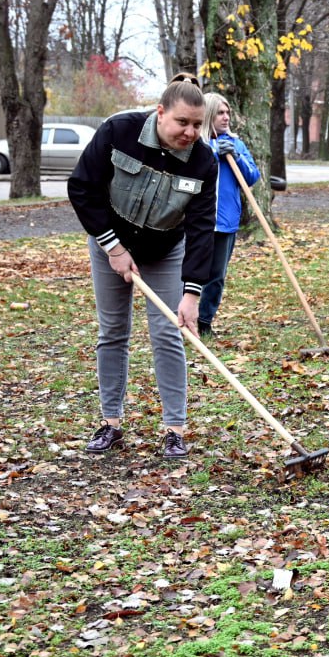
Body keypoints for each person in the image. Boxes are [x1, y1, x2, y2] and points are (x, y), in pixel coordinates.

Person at [68, 74, 217, 459]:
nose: (190, 132)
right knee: (113, 331)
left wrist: (192, 292)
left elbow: (202, 230)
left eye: (198, 125)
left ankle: (174, 429)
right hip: (109, 241)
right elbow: (82, 187)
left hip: (165, 249)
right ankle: (111, 423)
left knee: (169, 333)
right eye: (182, 122)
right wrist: (112, 248)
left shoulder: (203, 162)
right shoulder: (120, 130)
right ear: (160, 112)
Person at [198, 92, 260, 337]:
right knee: (190, 272)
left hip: (225, 221)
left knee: (216, 276)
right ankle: (183, 318)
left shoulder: (236, 143)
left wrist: (235, 155)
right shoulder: (197, 142)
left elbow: (252, 177)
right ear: (208, 115)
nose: (225, 118)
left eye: (227, 113)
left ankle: (204, 321)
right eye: (220, 113)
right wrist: (213, 153)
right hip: (197, 221)